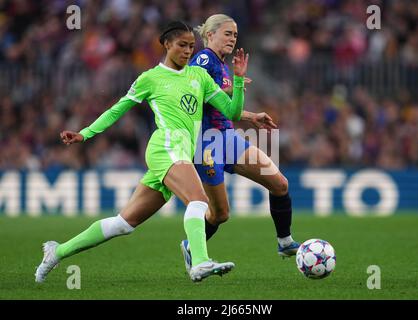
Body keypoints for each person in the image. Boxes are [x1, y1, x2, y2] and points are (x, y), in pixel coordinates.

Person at [35, 21, 250, 283]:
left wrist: (238, 80)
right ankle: (201, 262)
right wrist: (85, 133)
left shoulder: (200, 77)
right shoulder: (151, 78)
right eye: (182, 45)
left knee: (123, 224)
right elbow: (118, 109)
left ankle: (57, 252)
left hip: (181, 154)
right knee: (199, 199)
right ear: (167, 44)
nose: (187, 51)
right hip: (165, 148)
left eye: (191, 47)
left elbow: (233, 112)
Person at [180, 14, 300, 273]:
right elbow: (193, 94)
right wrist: (230, 88)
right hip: (206, 144)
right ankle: (191, 247)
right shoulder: (203, 60)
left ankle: (285, 241)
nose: (233, 39)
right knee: (220, 214)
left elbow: (223, 107)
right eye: (227, 33)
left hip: (228, 136)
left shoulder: (222, 66)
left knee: (279, 183)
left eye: (235, 35)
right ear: (210, 34)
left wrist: (249, 115)